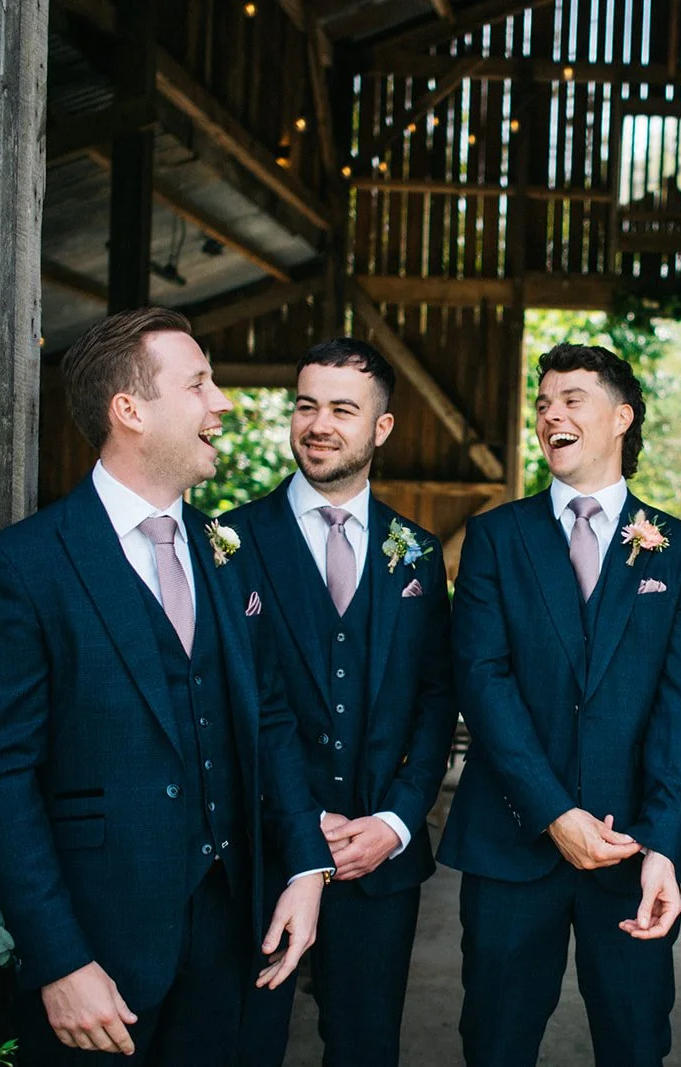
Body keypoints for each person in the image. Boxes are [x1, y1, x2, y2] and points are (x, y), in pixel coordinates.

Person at [0, 307, 329, 1064]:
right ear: (130, 409)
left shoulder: (224, 549)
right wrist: (58, 959)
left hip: (233, 943)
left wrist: (305, 863)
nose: (222, 402)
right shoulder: (19, 569)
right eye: (199, 384)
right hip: (99, 953)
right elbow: (0, 779)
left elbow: (273, 718)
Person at [439, 342, 681, 1066]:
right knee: (494, 1044)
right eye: (542, 402)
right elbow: (482, 678)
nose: (550, 413)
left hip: (631, 851)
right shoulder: (497, 536)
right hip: (509, 840)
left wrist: (663, 845)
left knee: (635, 1044)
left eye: (571, 398)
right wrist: (555, 814)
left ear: (621, 417)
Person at [230, 338, 457, 1067]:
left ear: (381, 428)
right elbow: (226, 704)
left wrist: (395, 820)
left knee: (365, 1050)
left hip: (377, 860)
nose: (318, 423)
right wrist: (297, 819)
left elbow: (434, 697)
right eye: (305, 405)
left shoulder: (416, 552)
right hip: (260, 857)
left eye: (341, 409)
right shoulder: (227, 542)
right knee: (244, 1046)